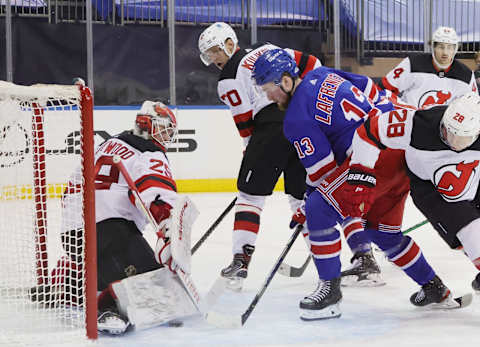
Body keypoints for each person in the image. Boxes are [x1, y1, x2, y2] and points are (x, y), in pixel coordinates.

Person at [252, 49, 459, 320]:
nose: (268, 96)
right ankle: (434, 288)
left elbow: (323, 170)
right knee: (383, 233)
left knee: (318, 208)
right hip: (399, 152)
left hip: (371, 161)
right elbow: (370, 87)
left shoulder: (295, 119)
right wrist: (380, 120)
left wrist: (307, 206)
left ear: (286, 81)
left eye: (269, 89)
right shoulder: (322, 73)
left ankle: (329, 293)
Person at [32, 100, 185, 334]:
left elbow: (72, 187)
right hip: (112, 231)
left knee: (120, 271)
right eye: (164, 129)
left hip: (73, 233)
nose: (166, 137)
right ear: (147, 124)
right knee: (159, 291)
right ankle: (106, 309)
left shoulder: (106, 144)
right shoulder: (149, 151)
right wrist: (168, 224)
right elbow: (155, 189)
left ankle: (68, 279)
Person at [197, 22, 322, 291]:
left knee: (249, 196)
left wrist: (251, 152)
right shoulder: (269, 49)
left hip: (270, 128)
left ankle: (241, 261)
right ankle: (325, 259)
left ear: (230, 44)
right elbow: (313, 63)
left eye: (215, 51)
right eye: (209, 55)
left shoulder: (228, 77)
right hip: (302, 122)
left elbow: (245, 123)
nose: (214, 59)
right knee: (299, 198)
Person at [345, 91, 480, 295]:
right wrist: (361, 175)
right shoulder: (419, 123)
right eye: (447, 132)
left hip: (473, 177)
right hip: (430, 189)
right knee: (470, 231)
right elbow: (369, 131)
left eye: (461, 137)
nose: (452, 141)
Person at [379, 26, 477, 108]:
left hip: (444, 128)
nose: (445, 52)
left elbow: (473, 107)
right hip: (412, 123)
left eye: (450, 47)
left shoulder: (466, 75)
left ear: (455, 49)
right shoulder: (412, 63)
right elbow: (384, 89)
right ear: (433, 46)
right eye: (441, 47)